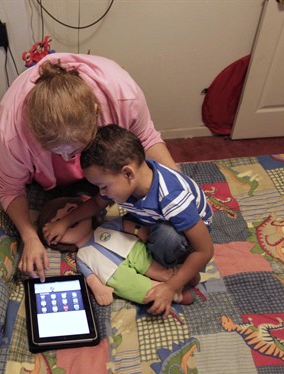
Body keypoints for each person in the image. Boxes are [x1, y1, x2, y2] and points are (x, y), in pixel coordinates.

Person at [0, 53, 178, 282]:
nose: (67, 158)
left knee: (171, 236)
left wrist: (178, 188)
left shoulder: (123, 95)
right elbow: (9, 189)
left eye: (75, 151)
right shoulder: (10, 134)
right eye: (57, 152)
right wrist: (30, 237)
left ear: (97, 114)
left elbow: (147, 139)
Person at [43, 124, 213, 317]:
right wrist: (65, 221)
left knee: (166, 238)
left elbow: (205, 250)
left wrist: (171, 287)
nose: (102, 193)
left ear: (128, 173)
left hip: (185, 233)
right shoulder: (127, 185)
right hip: (152, 217)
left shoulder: (171, 198)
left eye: (104, 186)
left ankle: (178, 269)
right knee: (124, 231)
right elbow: (96, 203)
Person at [37, 196, 196, 307]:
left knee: (154, 267)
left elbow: (124, 225)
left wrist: (139, 230)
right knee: (135, 287)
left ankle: (178, 275)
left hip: (131, 249)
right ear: (55, 240)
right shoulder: (82, 258)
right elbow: (91, 277)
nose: (68, 222)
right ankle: (176, 295)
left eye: (72, 211)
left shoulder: (105, 227)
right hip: (114, 274)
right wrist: (99, 289)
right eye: (57, 223)